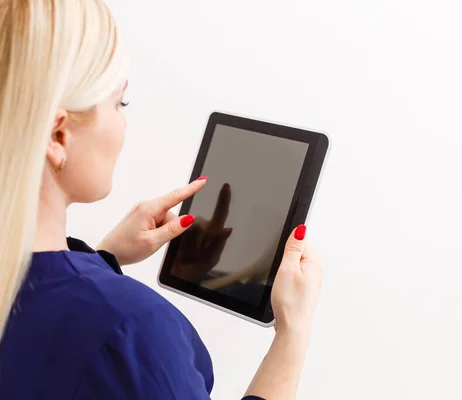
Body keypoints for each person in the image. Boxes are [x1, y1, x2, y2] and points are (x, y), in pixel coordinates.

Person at [0, 1, 323, 399]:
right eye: (120, 103)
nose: (123, 124)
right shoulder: (129, 328)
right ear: (57, 137)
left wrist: (103, 259)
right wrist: (293, 333)